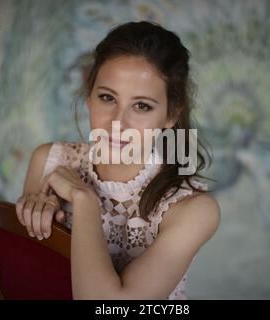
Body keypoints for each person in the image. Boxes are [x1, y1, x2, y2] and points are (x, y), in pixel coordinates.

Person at [15, 21, 220, 300]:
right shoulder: (47, 161)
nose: (117, 123)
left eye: (142, 106)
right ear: (89, 97)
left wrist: (84, 201)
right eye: (107, 98)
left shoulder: (193, 209)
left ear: (171, 116)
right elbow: (27, 282)